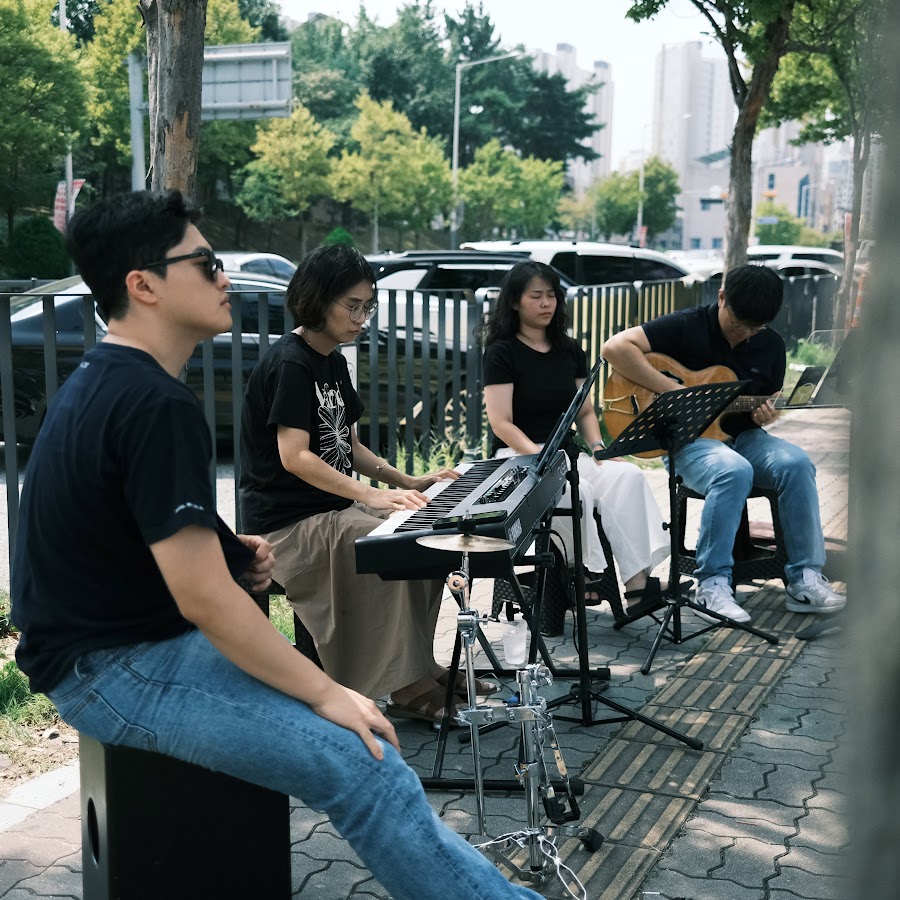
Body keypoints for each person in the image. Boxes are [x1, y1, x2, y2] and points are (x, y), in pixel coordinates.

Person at [10, 190, 540, 900]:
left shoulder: (111, 380)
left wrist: (229, 550)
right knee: (367, 761)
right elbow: (204, 601)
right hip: (115, 668)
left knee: (360, 748)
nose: (224, 276)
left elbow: (120, 525)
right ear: (144, 286)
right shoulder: (153, 401)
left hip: (117, 649)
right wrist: (331, 693)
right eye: (205, 263)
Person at [240, 243, 498, 724]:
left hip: (331, 509)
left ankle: (419, 665)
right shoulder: (291, 363)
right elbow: (295, 457)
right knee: (386, 545)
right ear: (318, 299)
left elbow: (349, 444)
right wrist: (370, 495)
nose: (361, 319)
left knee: (426, 532)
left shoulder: (333, 361)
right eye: (352, 306)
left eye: (367, 308)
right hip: (287, 524)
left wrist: (406, 480)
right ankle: (403, 685)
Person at [601, 263, 846, 623]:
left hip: (743, 437)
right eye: (738, 323)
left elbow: (761, 407)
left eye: (754, 327)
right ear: (721, 298)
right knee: (733, 470)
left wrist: (764, 416)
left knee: (796, 463)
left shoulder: (771, 345)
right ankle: (712, 584)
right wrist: (673, 390)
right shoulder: (686, 325)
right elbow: (614, 347)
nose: (744, 333)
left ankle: (805, 578)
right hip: (687, 442)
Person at [482, 260, 669, 612]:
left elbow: (583, 411)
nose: (546, 303)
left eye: (551, 295)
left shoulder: (569, 349)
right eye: (536, 296)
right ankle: (581, 574)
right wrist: (539, 457)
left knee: (627, 476)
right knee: (575, 492)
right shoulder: (501, 352)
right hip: (518, 457)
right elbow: (501, 422)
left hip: (566, 453)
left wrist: (598, 446)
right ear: (514, 302)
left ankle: (637, 586)